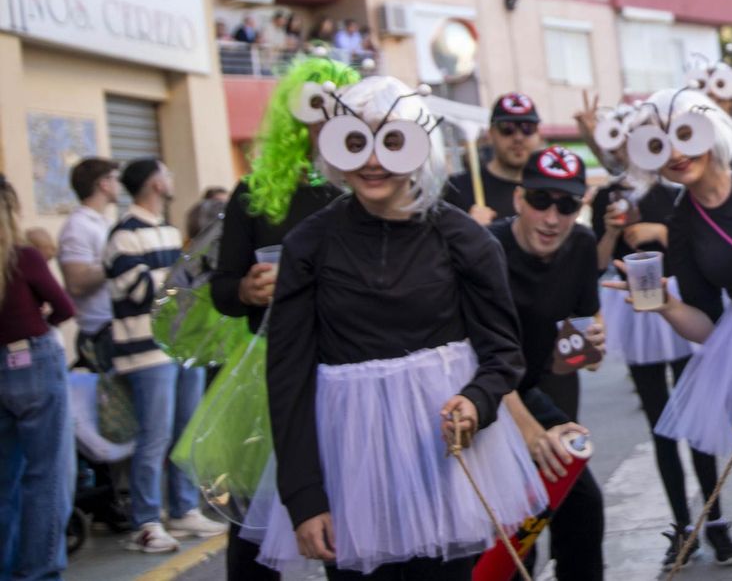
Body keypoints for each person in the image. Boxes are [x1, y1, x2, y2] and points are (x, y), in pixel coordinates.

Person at [246, 76, 543, 577]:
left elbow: (503, 355)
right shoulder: (309, 245)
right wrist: (304, 496)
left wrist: (476, 400)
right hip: (351, 466)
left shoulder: (464, 239)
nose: (372, 160)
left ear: (419, 145)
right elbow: (288, 377)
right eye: (356, 141)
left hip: (445, 460)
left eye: (391, 140)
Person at [613, 87, 732, 558]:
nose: (675, 153)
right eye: (658, 144)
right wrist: (663, 306)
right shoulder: (683, 223)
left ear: (710, 130)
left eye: (685, 135)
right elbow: (707, 325)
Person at [209, 56, 360, 580]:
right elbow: (222, 289)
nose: (324, 122)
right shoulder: (254, 196)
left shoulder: (366, 189)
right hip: (274, 376)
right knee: (253, 532)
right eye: (313, 109)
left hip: (348, 376)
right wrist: (247, 290)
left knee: (350, 526)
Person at [577, 95, 722, 568]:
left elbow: (690, 239)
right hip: (636, 309)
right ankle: (682, 528)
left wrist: (655, 232)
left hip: (677, 301)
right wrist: (610, 231)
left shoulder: (676, 186)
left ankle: (714, 523)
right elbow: (598, 265)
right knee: (661, 426)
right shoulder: (610, 193)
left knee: (695, 421)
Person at [490, 146, 606, 581]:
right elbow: (479, 357)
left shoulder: (580, 244)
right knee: (515, 528)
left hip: (529, 389)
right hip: (481, 396)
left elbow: (578, 356)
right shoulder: (488, 249)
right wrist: (532, 432)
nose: (552, 218)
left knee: (581, 504)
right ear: (520, 199)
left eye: (567, 205)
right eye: (541, 200)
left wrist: (592, 342)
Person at [107, 159, 224, 552]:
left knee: (185, 431)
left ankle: (184, 508)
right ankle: (146, 520)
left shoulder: (170, 231)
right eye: (167, 173)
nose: (173, 179)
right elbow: (134, 288)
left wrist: (181, 277)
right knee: (154, 436)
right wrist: (179, 276)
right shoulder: (124, 235)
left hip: (180, 346)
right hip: (145, 352)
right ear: (156, 183)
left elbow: (182, 284)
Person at [0, 172, 75, 581]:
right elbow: (64, 307)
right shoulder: (23, 256)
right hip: (32, 362)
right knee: (45, 476)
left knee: (4, 482)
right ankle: (40, 572)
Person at [58, 157, 119, 371]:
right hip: (100, 331)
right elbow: (76, 282)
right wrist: (117, 263)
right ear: (104, 183)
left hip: (117, 326)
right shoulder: (78, 227)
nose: (119, 185)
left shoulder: (104, 222)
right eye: (115, 179)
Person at [445, 93, 544, 223]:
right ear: (491, 134)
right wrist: (468, 230)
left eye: (528, 128)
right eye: (507, 128)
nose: (518, 137)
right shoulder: (458, 188)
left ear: (539, 134)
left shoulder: (548, 189)